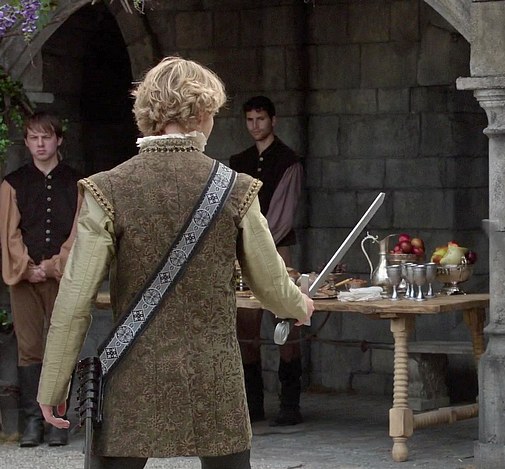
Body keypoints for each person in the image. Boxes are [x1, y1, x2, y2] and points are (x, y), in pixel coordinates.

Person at [36, 57, 315, 468]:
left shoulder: (108, 188)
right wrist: (298, 305)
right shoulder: (236, 188)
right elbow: (270, 284)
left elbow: (75, 298)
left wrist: (53, 385)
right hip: (213, 376)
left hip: (132, 373)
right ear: (201, 114)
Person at [0, 112, 80, 447]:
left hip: (62, 276)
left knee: (61, 347)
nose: (40, 144)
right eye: (33, 138)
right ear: (27, 142)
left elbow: (79, 231)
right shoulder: (13, 184)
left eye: (46, 137)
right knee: (29, 349)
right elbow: (8, 232)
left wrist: (54, 266)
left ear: (58, 140)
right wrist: (26, 266)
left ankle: (58, 422)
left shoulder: (77, 183)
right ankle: (33, 422)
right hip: (24, 278)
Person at [228, 96, 305, 426]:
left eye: (260, 119)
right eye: (250, 120)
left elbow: (283, 216)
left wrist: (259, 246)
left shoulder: (288, 161)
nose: (255, 125)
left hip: (278, 251)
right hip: (243, 253)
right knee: (247, 328)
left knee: (284, 321)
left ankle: (290, 404)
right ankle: (253, 404)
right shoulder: (238, 162)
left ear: (273, 120)